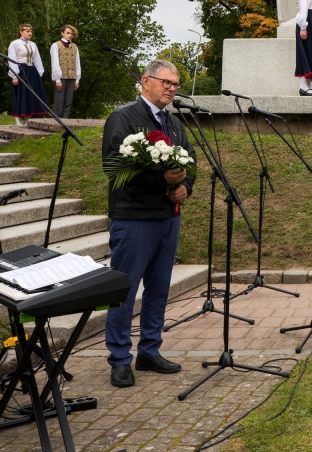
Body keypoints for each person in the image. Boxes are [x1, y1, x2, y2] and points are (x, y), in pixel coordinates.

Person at [102, 59, 195, 387]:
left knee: (158, 288)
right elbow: (114, 168)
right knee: (125, 290)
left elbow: (189, 161)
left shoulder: (174, 122)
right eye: (166, 82)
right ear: (146, 81)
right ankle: (119, 357)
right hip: (134, 219)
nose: (172, 88)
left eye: (176, 84)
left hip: (167, 219)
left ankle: (150, 350)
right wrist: (161, 180)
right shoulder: (123, 118)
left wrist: (185, 187)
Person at [7, 23, 48, 125]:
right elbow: (12, 59)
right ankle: (18, 119)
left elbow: (37, 59)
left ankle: (27, 119)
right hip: (21, 70)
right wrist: (14, 75)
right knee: (20, 94)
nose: (30, 33)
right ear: (21, 32)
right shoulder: (15, 44)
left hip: (31, 70)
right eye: (27, 31)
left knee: (30, 94)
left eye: (31, 31)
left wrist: (39, 73)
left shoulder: (33, 44)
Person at [49, 24, 81, 119]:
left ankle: (65, 120)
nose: (70, 35)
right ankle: (57, 119)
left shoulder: (75, 47)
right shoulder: (56, 45)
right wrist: (57, 79)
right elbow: (55, 62)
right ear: (62, 33)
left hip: (72, 76)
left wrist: (77, 80)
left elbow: (77, 63)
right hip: (61, 76)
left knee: (68, 100)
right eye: (68, 33)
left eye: (71, 34)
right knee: (59, 99)